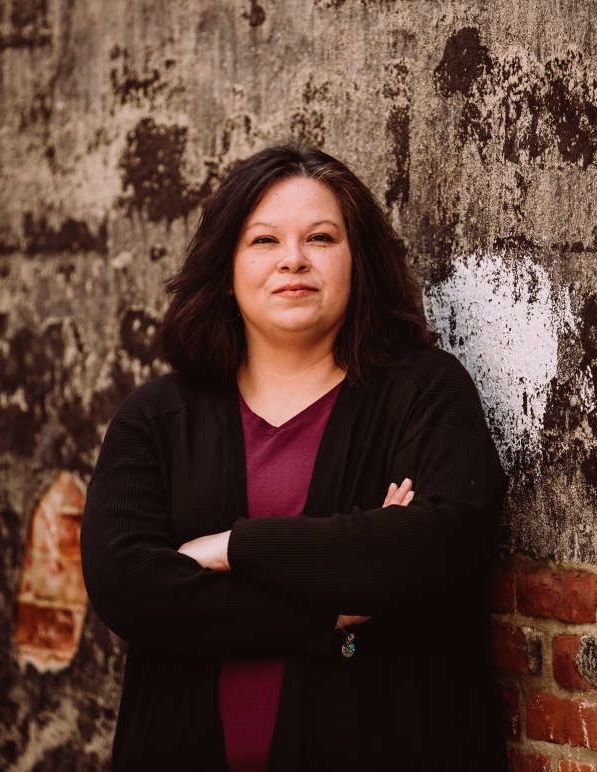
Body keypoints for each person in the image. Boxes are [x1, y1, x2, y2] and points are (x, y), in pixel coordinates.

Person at [80, 141, 509, 772]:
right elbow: (129, 588)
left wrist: (231, 549)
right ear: (226, 266)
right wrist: (334, 603)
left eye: (321, 238)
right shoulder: (155, 418)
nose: (294, 260)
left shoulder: (424, 392)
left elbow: (438, 543)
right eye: (264, 240)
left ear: (358, 260)